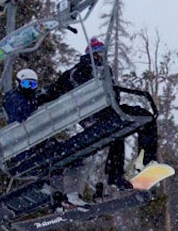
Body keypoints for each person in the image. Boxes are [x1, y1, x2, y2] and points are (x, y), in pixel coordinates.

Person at [52, 38, 164, 196]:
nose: (101, 57)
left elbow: (112, 93)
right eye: (97, 54)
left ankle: (142, 163)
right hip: (93, 113)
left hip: (108, 110)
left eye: (102, 54)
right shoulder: (78, 71)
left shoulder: (105, 69)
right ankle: (116, 174)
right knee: (117, 129)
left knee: (143, 119)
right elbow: (57, 89)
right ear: (91, 54)